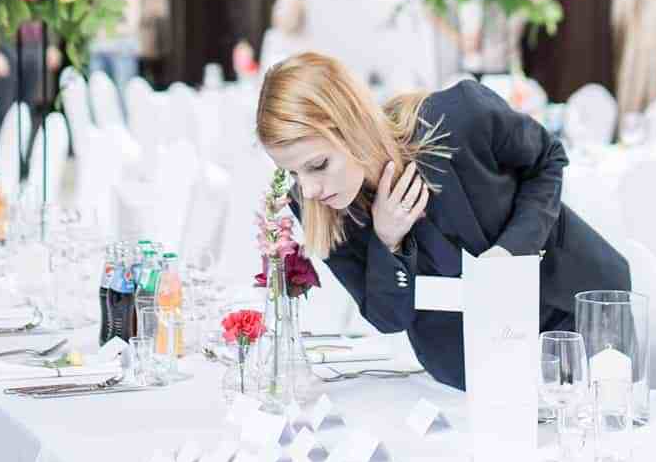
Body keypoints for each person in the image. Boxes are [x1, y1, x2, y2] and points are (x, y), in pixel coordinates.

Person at [255, 52, 629, 390]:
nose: (309, 189)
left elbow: (547, 160)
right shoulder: (317, 207)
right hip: (471, 371)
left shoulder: (460, 116)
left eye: (318, 165)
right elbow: (389, 318)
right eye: (293, 173)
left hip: (575, 317)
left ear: (352, 124)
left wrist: (510, 252)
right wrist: (387, 243)